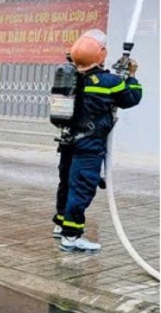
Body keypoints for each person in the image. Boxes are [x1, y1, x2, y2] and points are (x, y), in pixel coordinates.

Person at [54, 30, 142, 252]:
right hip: (89, 144)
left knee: (66, 183)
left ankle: (61, 225)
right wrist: (131, 75)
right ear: (101, 56)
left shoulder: (71, 75)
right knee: (82, 188)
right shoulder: (109, 81)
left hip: (68, 141)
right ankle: (71, 237)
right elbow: (131, 99)